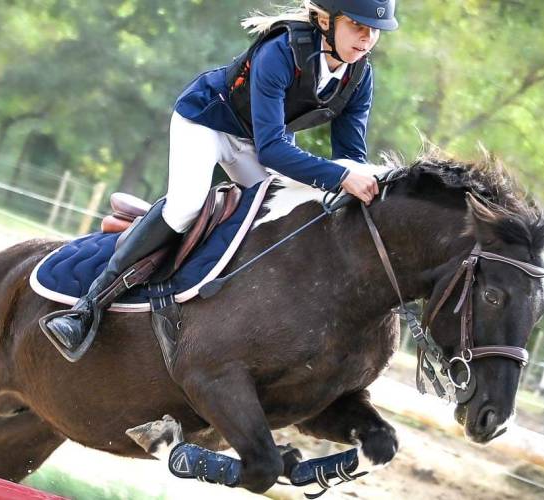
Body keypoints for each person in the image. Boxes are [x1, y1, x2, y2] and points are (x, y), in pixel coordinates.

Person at [45, 0, 398, 360]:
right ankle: (88, 306)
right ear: (325, 20)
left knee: (282, 218)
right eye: (357, 26)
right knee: (186, 206)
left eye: (375, 31)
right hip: (207, 122)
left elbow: (350, 157)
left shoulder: (359, 76)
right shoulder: (281, 51)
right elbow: (275, 151)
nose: (367, 38)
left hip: (256, 141)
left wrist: (365, 186)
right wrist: (341, 176)